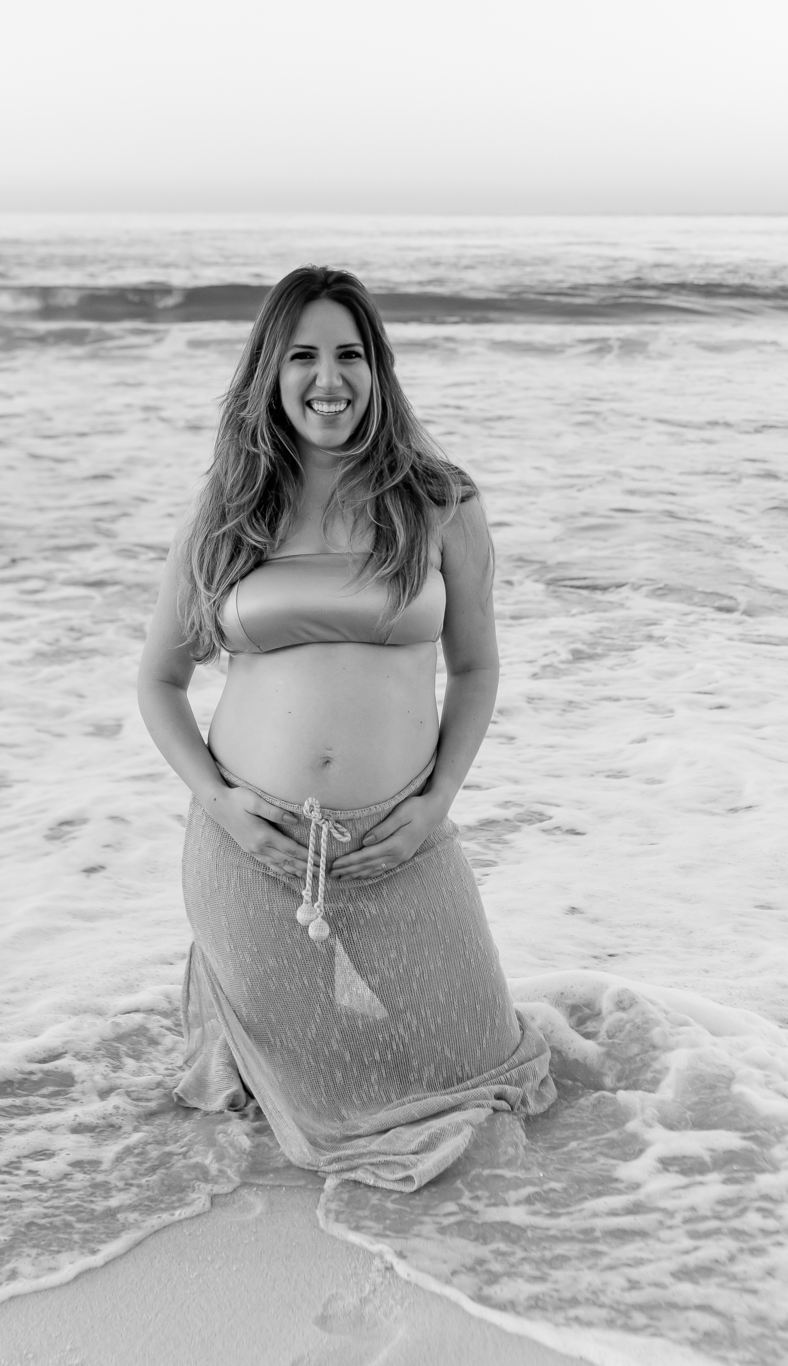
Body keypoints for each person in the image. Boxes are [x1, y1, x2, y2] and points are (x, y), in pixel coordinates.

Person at [137, 266, 555, 1190]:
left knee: (490, 1074)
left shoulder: (440, 501)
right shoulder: (225, 513)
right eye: (303, 357)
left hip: (402, 837)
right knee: (307, 1107)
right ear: (270, 373)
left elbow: (475, 668)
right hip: (253, 846)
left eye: (349, 355)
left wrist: (436, 803)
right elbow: (160, 682)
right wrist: (224, 806)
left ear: (378, 369)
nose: (329, 380)